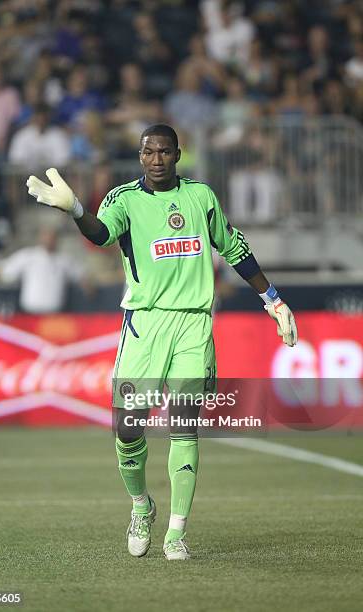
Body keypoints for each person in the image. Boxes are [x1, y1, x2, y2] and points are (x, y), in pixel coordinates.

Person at [26, 124, 298, 560]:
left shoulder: (201, 197)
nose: (156, 159)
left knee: (184, 428)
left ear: (178, 155)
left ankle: (176, 533)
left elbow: (236, 249)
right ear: (140, 157)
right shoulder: (123, 199)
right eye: (149, 152)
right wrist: (76, 208)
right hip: (145, 326)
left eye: (165, 152)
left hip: (193, 326)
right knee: (127, 428)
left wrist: (274, 300)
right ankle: (141, 506)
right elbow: (101, 236)